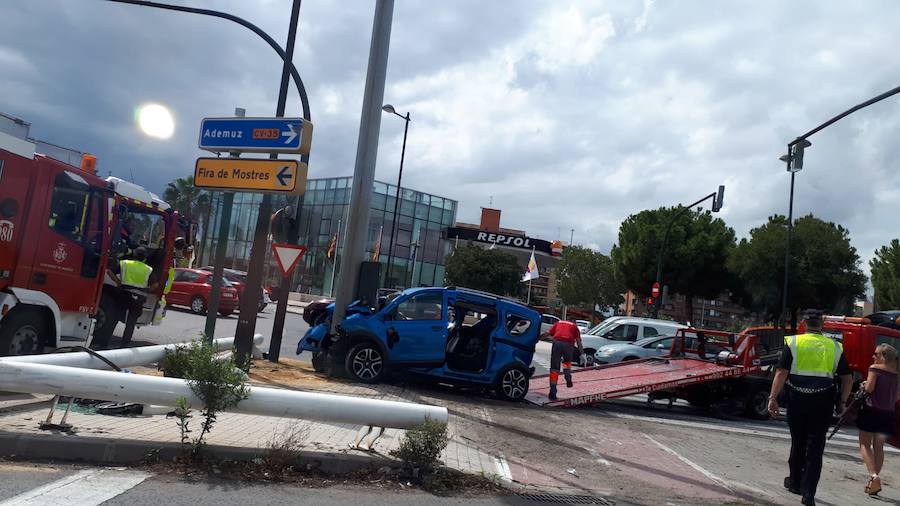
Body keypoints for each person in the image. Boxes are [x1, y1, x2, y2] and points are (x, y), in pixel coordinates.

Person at [768, 309, 852, 506]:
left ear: (804, 323)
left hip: (797, 398)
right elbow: (847, 379)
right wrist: (842, 402)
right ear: (822, 324)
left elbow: (781, 372)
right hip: (823, 401)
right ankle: (809, 494)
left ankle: (795, 482)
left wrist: (773, 398)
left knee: (798, 441)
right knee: (816, 447)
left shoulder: (794, 342)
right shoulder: (835, 346)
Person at [856, 343, 900, 496]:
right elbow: (897, 397)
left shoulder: (874, 368)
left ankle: (874, 476)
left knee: (864, 444)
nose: (873, 356)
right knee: (879, 447)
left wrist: (864, 385)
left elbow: (869, 389)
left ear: (883, 356)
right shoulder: (897, 373)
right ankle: (873, 483)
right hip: (888, 414)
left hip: (871, 412)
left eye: (876, 354)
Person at [107, 247, 156, 348]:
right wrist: (146, 290)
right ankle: (124, 345)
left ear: (134, 255)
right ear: (144, 258)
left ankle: (104, 342)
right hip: (138, 298)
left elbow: (109, 271)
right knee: (131, 322)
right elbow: (155, 285)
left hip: (124, 294)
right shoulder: (148, 269)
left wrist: (118, 282)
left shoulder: (125, 263)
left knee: (114, 318)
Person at [540, 319, 584, 401]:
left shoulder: (558, 323)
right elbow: (578, 342)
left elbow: (547, 333)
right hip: (568, 344)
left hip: (557, 343)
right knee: (566, 362)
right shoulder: (574, 326)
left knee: (554, 368)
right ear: (573, 321)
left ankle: (553, 390)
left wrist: (537, 339)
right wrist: (582, 354)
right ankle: (567, 376)